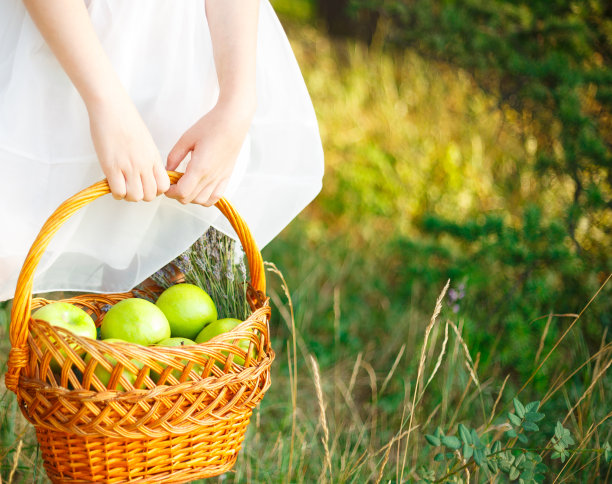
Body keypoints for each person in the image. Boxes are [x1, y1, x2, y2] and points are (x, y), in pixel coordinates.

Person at [0, 0, 324, 301]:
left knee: (171, 259)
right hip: (72, 41)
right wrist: (107, 104)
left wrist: (237, 104)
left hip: (191, 53)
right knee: (17, 237)